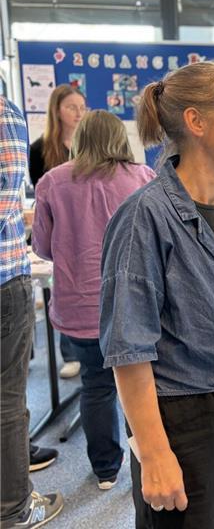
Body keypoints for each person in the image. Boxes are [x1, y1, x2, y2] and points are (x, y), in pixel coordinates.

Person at [99, 61, 214, 528]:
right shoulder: (144, 217)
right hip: (178, 418)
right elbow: (128, 350)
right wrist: (153, 454)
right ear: (196, 122)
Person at [32, 110, 155, 490]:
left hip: (79, 307)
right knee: (143, 386)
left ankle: (105, 471)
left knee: (96, 386)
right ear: (121, 139)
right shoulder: (143, 178)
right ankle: (149, 463)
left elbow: (42, 247)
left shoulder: (52, 182)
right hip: (134, 305)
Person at [1, 95, 64, 528]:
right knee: (7, 399)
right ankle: (14, 509)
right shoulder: (6, 114)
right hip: (5, 277)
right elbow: (8, 202)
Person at [29, 84, 87, 381]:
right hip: (58, 232)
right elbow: (42, 198)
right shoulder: (40, 149)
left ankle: (86, 348)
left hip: (87, 229)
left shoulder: (89, 147)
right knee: (62, 288)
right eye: (71, 107)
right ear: (57, 111)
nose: (78, 113)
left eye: (81, 107)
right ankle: (69, 352)